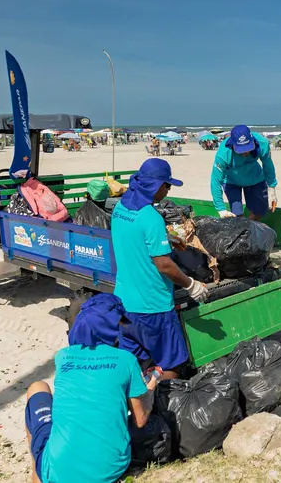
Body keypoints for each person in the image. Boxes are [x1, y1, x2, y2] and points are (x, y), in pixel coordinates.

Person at [24, 294, 157, 483]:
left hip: (60, 473)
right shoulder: (126, 360)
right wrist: (149, 392)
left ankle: (38, 476)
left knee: (37, 387)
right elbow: (140, 420)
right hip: (110, 468)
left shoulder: (63, 357)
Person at [112, 158, 208, 379]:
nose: (168, 190)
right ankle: (164, 407)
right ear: (155, 186)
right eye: (167, 185)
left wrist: (165, 239)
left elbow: (133, 238)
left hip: (125, 304)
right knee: (171, 363)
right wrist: (191, 285)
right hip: (153, 306)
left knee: (132, 362)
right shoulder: (151, 217)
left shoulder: (120, 208)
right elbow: (164, 265)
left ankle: (135, 404)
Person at [210, 125, 278, 220]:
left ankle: (248, 225)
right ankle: (243, 227)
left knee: (261, 210)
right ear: (233, 145)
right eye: (241, 150)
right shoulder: (223, 154)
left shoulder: (262, 143)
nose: (245, 153)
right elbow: (216, 181)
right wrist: (221, 209)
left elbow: (268, 165)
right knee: (236, 215)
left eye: (248, 148)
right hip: (231, 180)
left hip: (255, 177)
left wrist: (271, 187)